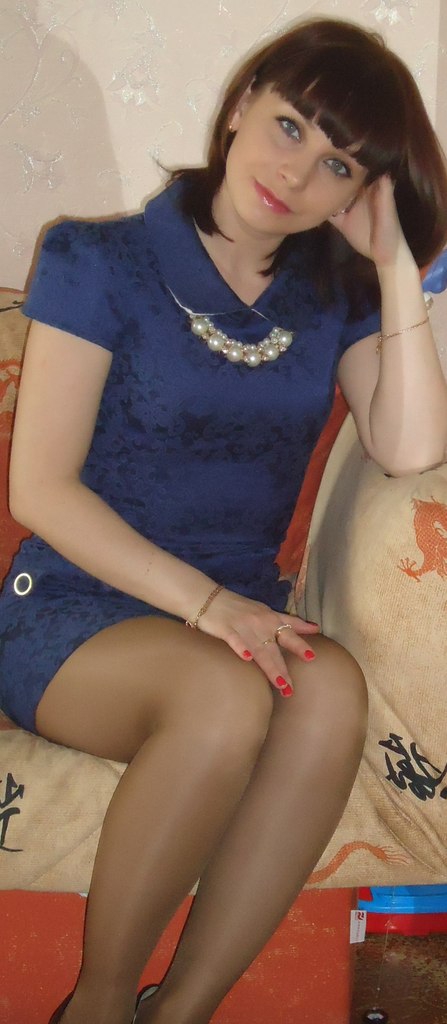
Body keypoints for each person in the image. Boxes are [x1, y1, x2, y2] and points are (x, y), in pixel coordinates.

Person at [2, 15, 447, 1024]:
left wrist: (392, 269)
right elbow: (41, 491)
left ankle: (181, 1011)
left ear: (355, 194)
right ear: (243, 104)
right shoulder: (96, 259)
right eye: (290, 126)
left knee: (328, 690)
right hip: (72, 610)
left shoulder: (331, 299)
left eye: (336, 165)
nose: (296, 173)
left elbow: (411, 448)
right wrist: (205, 605)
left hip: (235, 619)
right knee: (224, 699)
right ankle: (97, 1008)